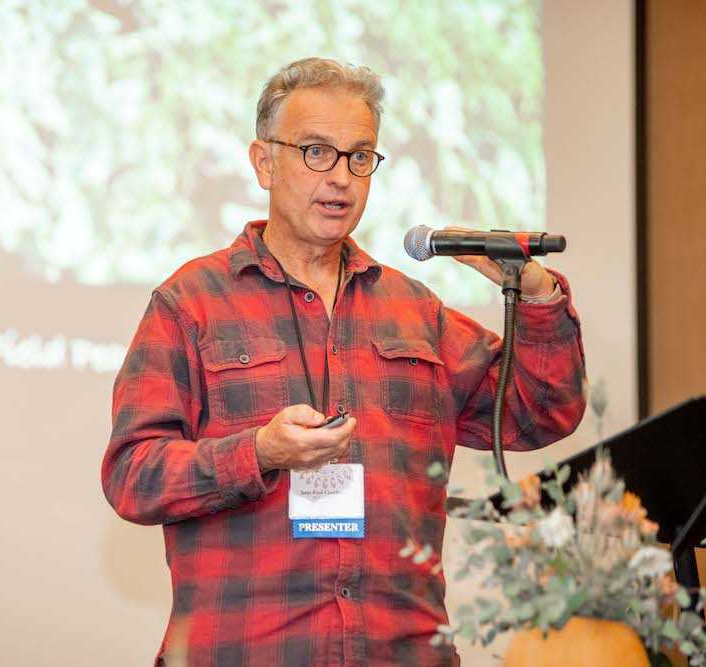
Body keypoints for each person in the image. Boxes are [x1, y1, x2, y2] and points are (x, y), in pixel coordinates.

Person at [101, 57, 586, 667]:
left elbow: (541, 413)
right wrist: (258, 453)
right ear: (263, 162)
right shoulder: (192, 303)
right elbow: (132, 475)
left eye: (360, 157)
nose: (341, 177)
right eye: (316, 152)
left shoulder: (416, 313)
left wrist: (539, 296)